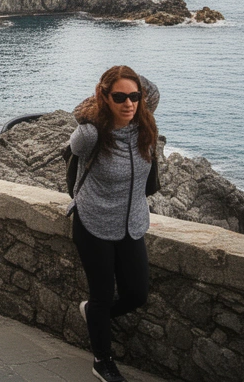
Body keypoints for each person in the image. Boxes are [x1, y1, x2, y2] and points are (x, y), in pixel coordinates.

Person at [69, 66, 158, 382]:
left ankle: (93, 313)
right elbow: (73, 144)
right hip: (93, 223)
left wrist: (130, 82)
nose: (128, 103)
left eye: (134, 96)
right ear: (104, 98)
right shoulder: (91, 134)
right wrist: (95, 105)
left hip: (131, 223)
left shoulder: (144, 126)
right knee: (103, 295)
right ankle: (102, 361)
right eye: (119, 97)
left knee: (137, 294)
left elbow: (152, 88)